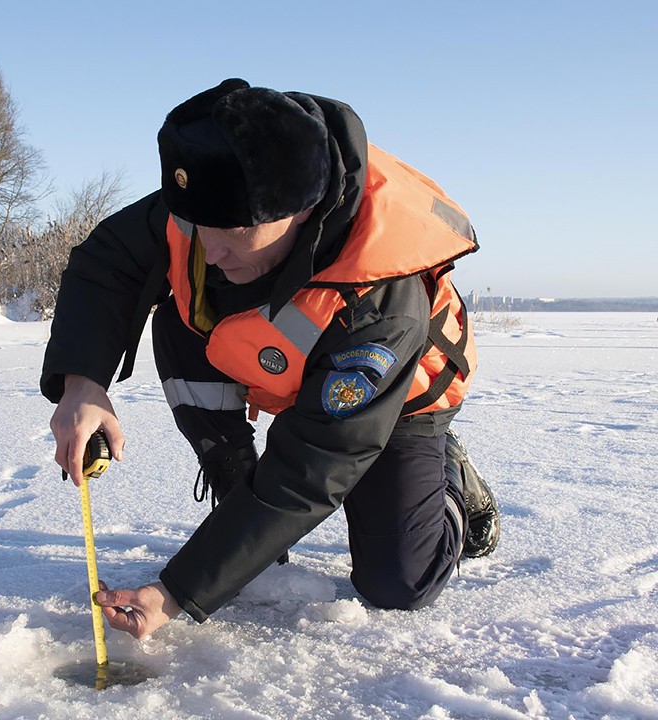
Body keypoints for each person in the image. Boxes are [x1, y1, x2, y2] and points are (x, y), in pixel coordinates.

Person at [41, 78, 500, 639]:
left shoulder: (379, 299)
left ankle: (448, 487)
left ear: (300, 210)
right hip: (275, 359)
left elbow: (309, 471)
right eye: (199, 228)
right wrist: (82, 381)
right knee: (181, 316)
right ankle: (235, 485)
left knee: (397, 582)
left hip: (398, 398)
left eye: (233, 233)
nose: (210, 250)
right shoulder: (214, 194)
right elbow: (108, 261)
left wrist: (178, 593)